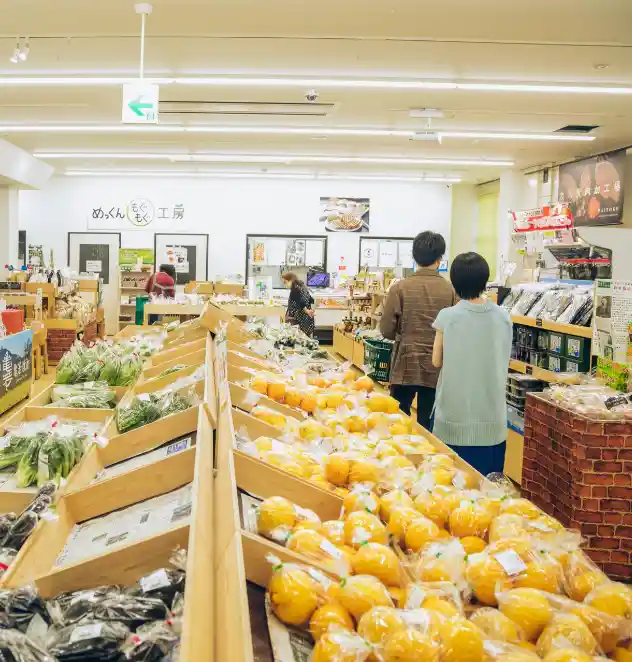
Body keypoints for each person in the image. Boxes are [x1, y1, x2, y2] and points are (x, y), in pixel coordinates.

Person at [431, 252, 512, 476]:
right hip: (492, 421)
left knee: (452, 491)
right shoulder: (504, 316)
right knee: (489, 491)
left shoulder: (448, 316)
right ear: (485, 280)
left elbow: (436, 361)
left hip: (454, 420)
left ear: (455, 283)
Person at [380, 231, 456, 430]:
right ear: (440, 258)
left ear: (414, 256)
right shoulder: (450, 291)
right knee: (428, 423)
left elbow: (386, 330)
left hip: (406, 361)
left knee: (397, 421)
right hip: (437, 365)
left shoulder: (400, 288)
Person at [282, 272, 315, 337]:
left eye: (285, 282)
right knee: (304, 340)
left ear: (291, 280)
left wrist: (307, 311)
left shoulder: (295, 289)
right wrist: (311, 310)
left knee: (296, 340)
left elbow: (300, 302)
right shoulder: (302, 286)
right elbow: (310, 299)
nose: (285, 284)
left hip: (299, 320)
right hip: (306, 320)